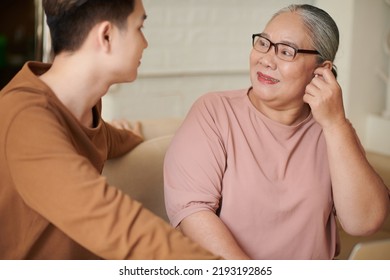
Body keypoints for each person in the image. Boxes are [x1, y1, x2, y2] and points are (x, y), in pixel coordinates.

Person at [164, 4, 390, 260]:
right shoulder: (215, 111)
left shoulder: (332, 129)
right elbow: (192, 213)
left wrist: (336, 125)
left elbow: (364, 222)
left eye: (286, 51)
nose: (266, 59)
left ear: (322, 69)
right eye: (263, 43)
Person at [0, 0, 220, 260]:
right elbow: (117, 224)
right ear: (106, 36)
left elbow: (112, 138)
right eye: (140, 27)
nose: (145, 43)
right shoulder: (24, 118)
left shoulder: (83, 110)